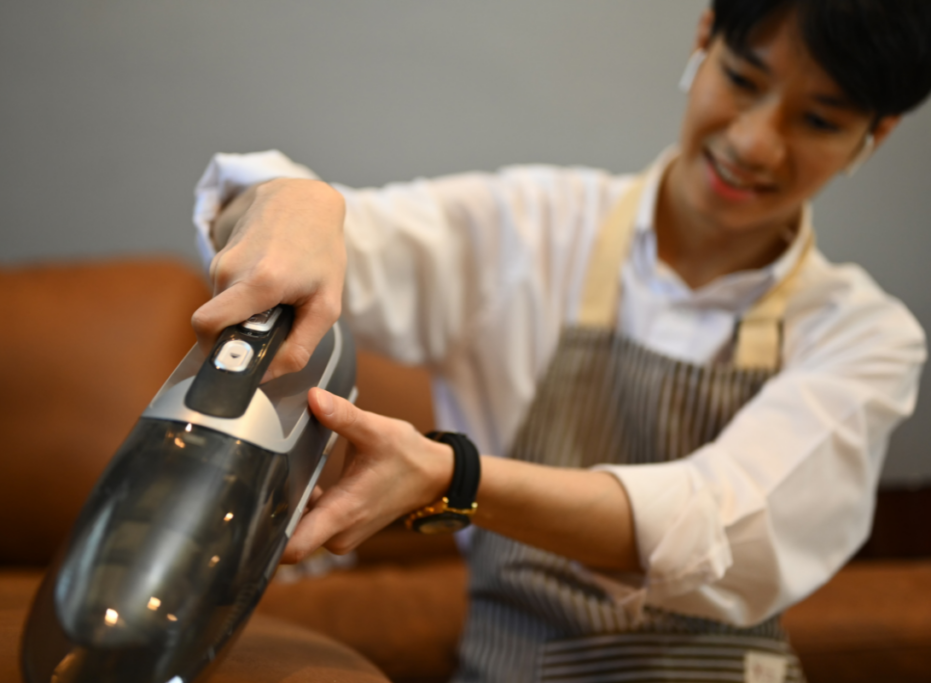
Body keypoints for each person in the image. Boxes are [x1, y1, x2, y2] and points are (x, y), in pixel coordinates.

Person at [190, 1, 931, 681]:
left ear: (876, 133)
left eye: (818, 121)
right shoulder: (533, 228)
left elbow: (718, 526)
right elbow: (304, 228)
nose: (755, 143)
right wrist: (296, 204)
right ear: (705, 38)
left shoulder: (866, 336)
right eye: (742, 80)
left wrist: (457, 477)